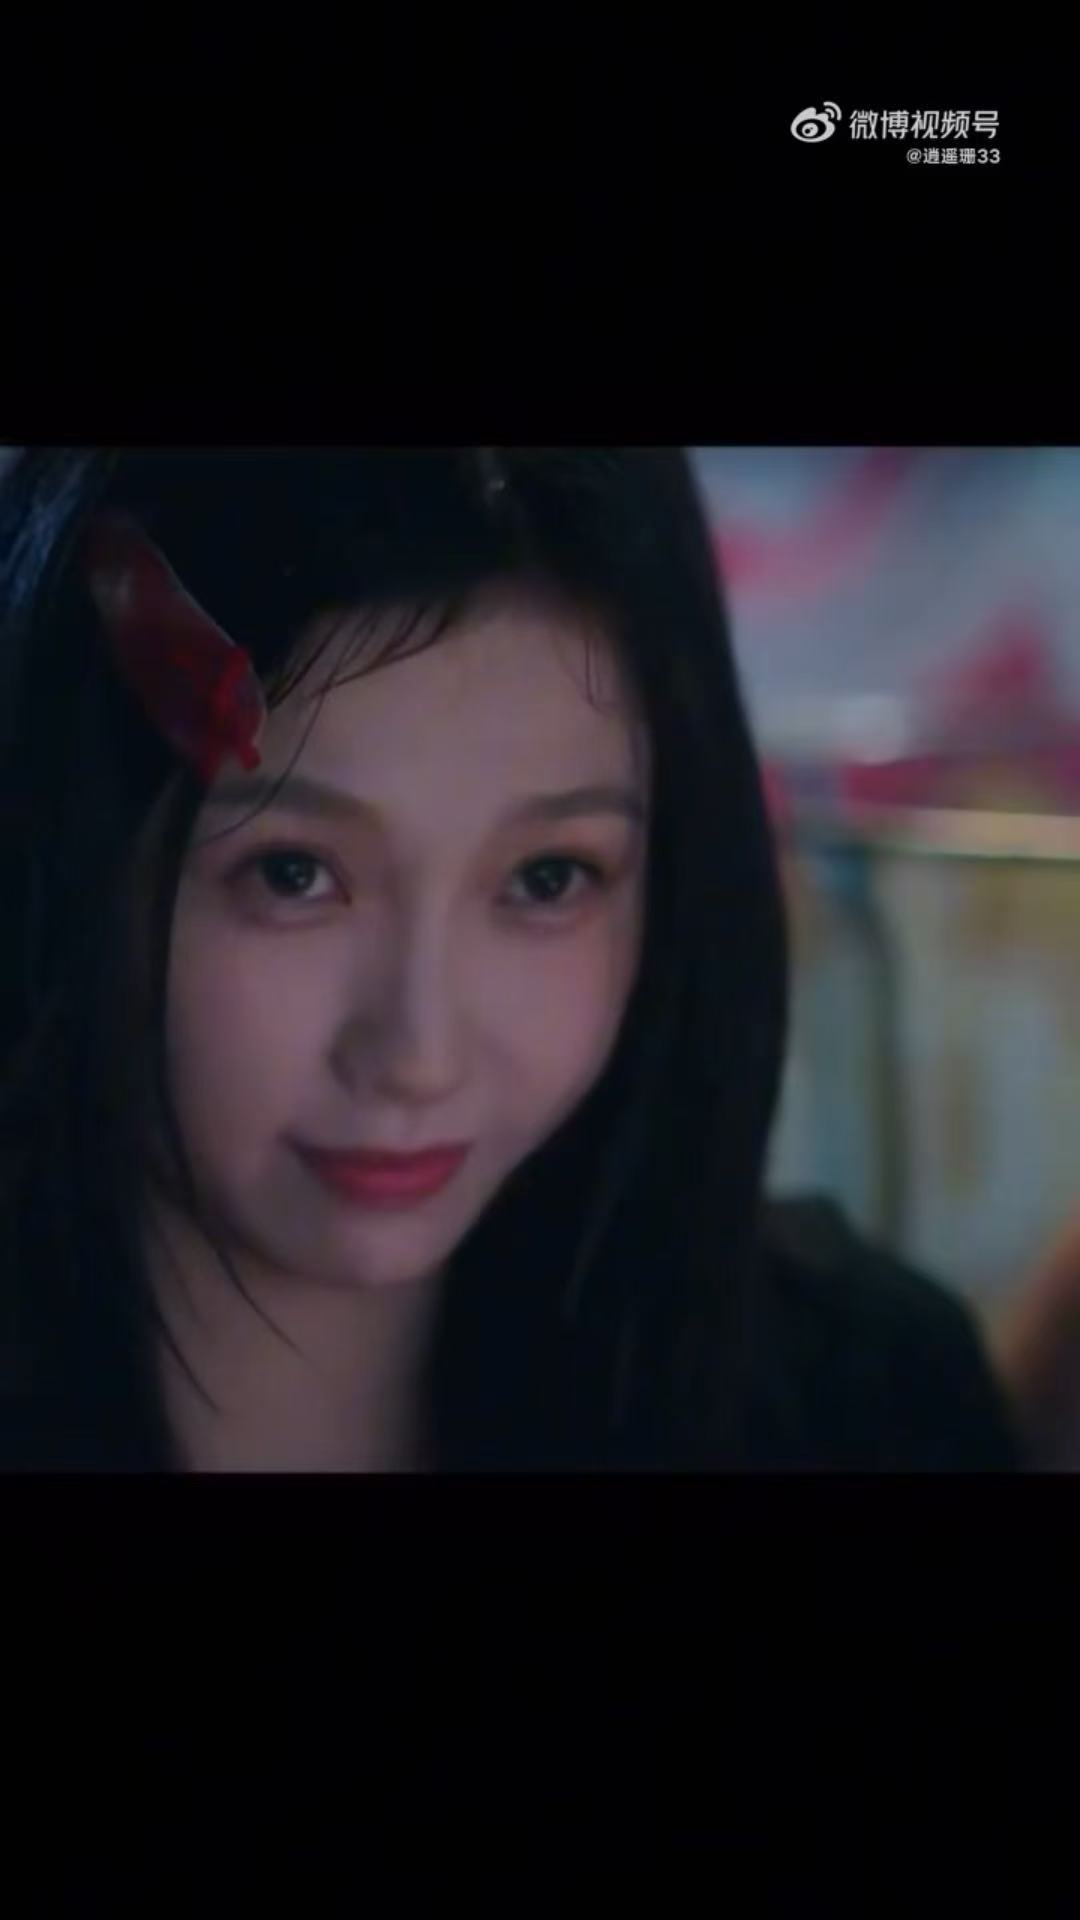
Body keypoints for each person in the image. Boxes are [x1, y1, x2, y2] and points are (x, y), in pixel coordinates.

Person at [0, 447, 1019, 1472]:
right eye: (292, 874)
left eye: (547, 878)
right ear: (70, 858)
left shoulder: (858, 1399)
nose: (419, 1056)